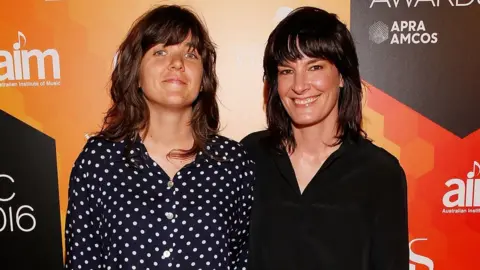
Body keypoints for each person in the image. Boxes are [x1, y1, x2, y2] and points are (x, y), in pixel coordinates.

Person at [64, 5, 254, 270]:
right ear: (136, 74)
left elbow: (243, 260)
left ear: (203, 79)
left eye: (191, 54)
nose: (177, 63)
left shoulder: (234, 163)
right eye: (161, 51)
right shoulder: (99, 160)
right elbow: (82, 261)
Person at [241, 6, 409, 270]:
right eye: (286, 70)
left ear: (341, 75)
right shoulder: (249, 155)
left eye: (315, 67)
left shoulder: (380, 173)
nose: (299, 85)